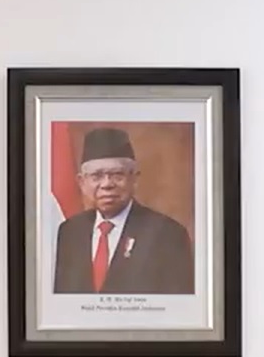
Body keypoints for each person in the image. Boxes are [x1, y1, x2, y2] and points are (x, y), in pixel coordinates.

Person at [53, 126, 194, 295]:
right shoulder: (69, 231)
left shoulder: (167, 234)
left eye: (117, 175)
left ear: (134, 179)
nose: (107, 184)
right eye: (97, 176)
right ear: (82, 182)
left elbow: (177, 304)